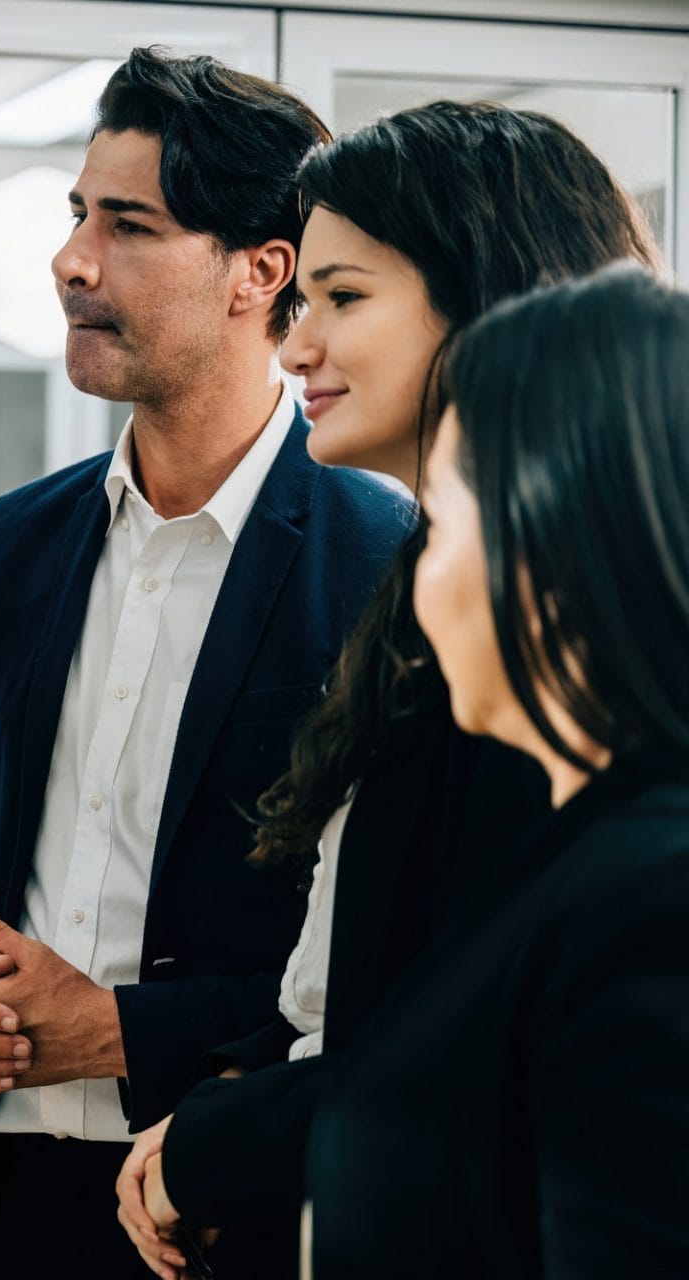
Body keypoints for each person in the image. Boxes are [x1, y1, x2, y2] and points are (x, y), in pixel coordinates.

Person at [112, 102, 664, 1280]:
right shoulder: (416, 593)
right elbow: (354, 983)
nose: (294, 345)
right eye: (299, 300)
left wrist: (221, 1139)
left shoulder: (565, 673)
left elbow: (467, 1048)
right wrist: (238, 1081)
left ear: (493, 295)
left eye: (342, 299)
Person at [0, 48, 410, 1278]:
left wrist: (122, 1030)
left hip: (216, 1209)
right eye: (80, 215)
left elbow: (380, 969)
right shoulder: (19, 539)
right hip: (2, 1198)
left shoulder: (385, 556)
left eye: (128, 224)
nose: (72, 258)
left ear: (259, 272)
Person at [308, 265, 689, 1276]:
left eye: (443, 514)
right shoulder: (583, 855)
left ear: (552, 537)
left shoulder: (651, 898)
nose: (420, 574)